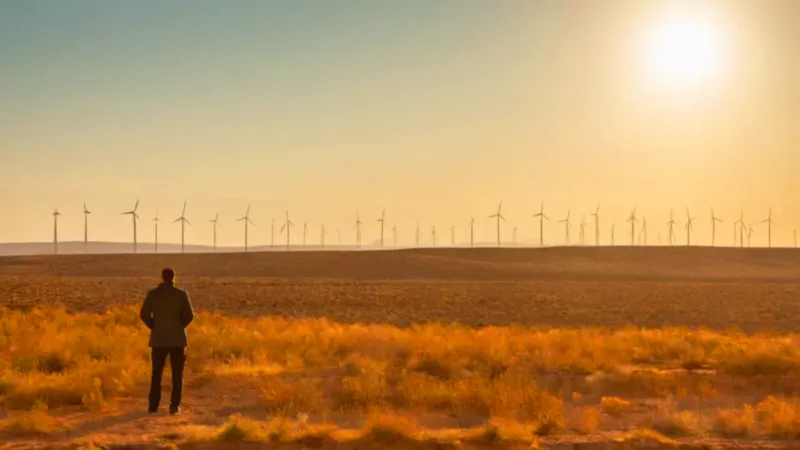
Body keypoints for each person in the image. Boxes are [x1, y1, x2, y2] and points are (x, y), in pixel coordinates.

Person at [139, 268, 195, 415]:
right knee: (177, 375)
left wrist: (154, 326)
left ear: (162, 277)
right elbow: (190, 315)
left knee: (156, 374)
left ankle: (153, 406)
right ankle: (174, 406)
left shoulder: (153, 295)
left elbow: (144, 314)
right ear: (173, 278)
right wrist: (179, 326)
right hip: (177, 340)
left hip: (159, 339)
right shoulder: (181, 295)